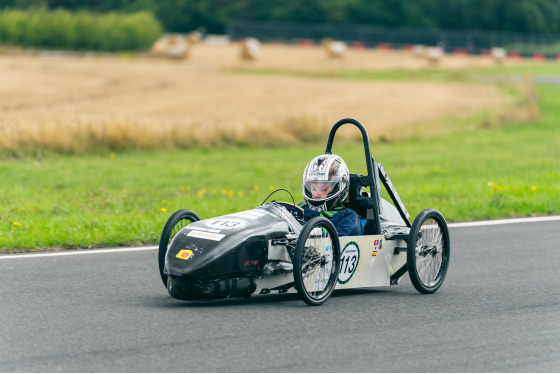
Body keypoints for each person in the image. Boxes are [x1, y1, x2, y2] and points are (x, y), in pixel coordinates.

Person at [300, 154, 363, 236]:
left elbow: (334, 242)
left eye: (323, 189)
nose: (316, 194)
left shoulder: (348, 217)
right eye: (313, 188)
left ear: (339, 187)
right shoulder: (301, 211)